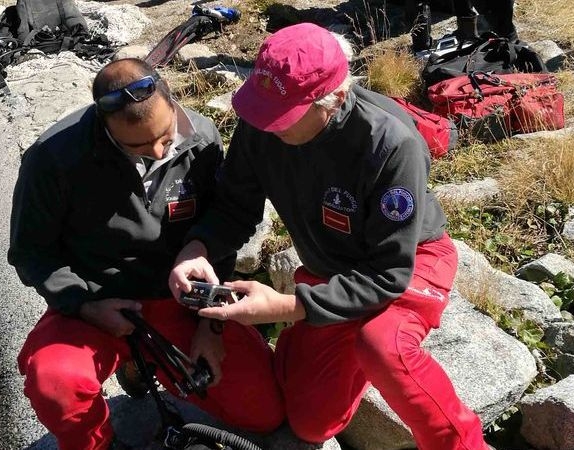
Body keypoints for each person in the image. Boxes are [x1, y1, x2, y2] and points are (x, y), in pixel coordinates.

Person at [169, 24, 489, 450]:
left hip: (409, 259)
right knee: (310, 425)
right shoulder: (263, 122)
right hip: (331, 268)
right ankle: (335, 335)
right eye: (262, 109)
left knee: (381, 345)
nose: (266, 125)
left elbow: (388, 273)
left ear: (334, 99)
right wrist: (199, 246)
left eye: (283, 116)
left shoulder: (390, 144)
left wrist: (288, 306)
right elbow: (234, 208)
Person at [8, 58, 284, 450]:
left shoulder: (201, 137)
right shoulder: (53, 158)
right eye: (137, 146)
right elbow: (30, 253)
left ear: (171, 103)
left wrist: (212, 324)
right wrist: (84, 305)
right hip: (98, 305)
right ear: (105, 128)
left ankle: (142, 364)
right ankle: (100, 443)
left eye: (165, 138)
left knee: (264, 413)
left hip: (181, 302)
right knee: (55, 383)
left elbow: (223, 228)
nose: (157, 151)